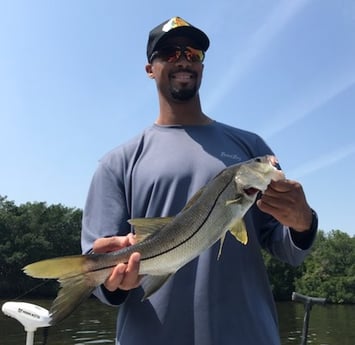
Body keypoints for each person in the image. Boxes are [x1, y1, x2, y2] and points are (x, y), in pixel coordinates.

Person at [81, 16, 318, 345]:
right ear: (150, 68)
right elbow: (99, 279)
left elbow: (287, 249)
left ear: (203, 66)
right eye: (169, 53)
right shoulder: (117, 162)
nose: (183, 60)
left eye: (193, 53)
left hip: (249, 335)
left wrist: (303, 223)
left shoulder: (252, 149)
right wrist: (108, 281)